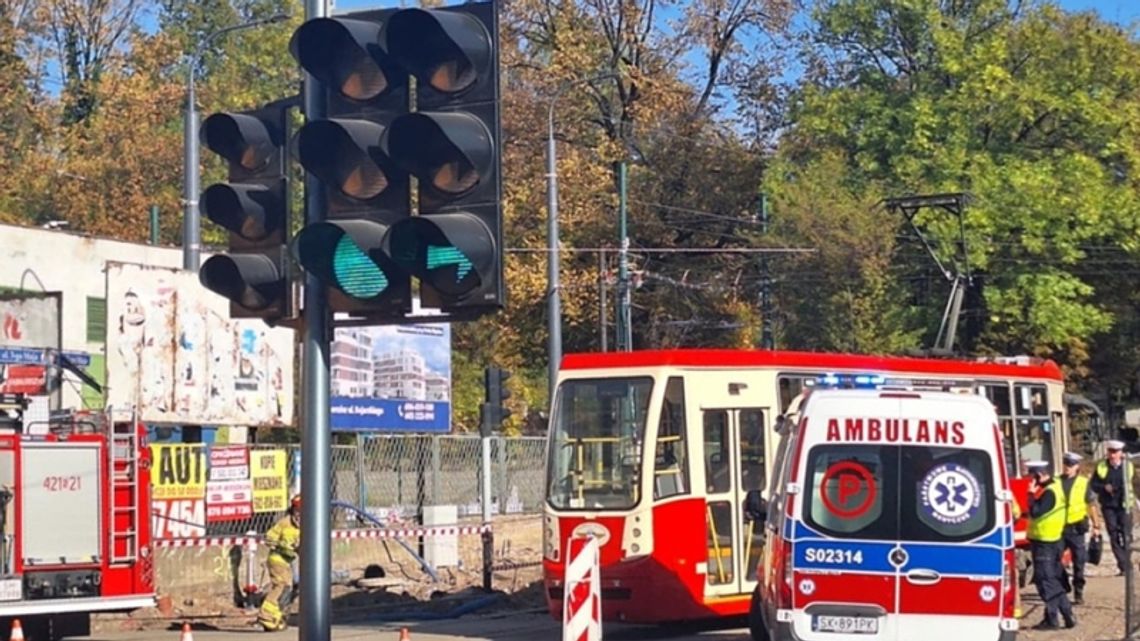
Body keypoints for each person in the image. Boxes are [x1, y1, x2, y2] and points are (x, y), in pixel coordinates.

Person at [1026, 461, 1076, 630]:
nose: (1031, 481)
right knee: (1052, 580)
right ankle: (1063, 616)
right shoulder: (1056, 487)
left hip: (1045, 543)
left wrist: (1030, 494)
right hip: (1053, 540)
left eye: (1032, 477)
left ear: (1038, 475)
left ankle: (1055, 618)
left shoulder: (1049, 493)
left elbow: (1035, 511)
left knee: (1046, 580)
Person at [1059, 451, 1099, 604]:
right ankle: (1064, 584)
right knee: (1055, 560)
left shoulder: (1083, 482)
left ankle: (1078, 591)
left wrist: (1096, 525)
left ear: (1077, 467)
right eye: (1065, 464)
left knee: (1079, 562)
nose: (1067, 467)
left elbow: (1091, 505)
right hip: (1059, 527)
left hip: (1076, 528)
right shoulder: (1056, 482)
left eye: (1070, 465)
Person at [1089, 439, 1134, 576]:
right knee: (1113, 535)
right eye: (1110, 452)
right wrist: (1104, 487)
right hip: (1109, 506)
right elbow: (1093, 485)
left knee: (1126, 536)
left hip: (1125, 506)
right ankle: (1124, 567)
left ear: (1121, 453)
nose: (1112, 455)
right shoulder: (1102, 467)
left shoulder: (1128, 466)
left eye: (1115, 452)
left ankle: (1128, 563)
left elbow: (1136, 484)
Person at [257, 495, 301, 632]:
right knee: (281, 586)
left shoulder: (304, 528)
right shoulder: (284, 523)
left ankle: (275, 614)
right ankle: (266, 614)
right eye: (296, 511)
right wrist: (278, 544)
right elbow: (269, 538)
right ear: (292, 511)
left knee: (287, 587)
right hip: (277, 560)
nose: (298, 516)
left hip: (286, 562)